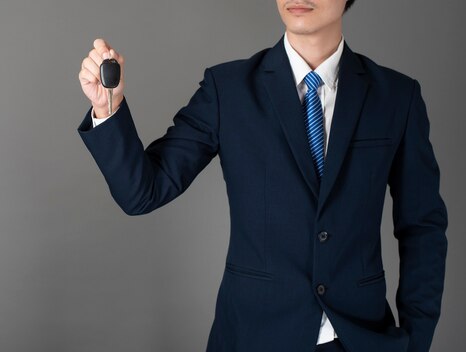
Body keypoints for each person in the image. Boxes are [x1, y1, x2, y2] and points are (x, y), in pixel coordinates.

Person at [76, 1, 448, 351]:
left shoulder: (397, 96)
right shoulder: (228, 89)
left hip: (360, 338)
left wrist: (415, 339)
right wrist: (107, 106)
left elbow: (422, 227)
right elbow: (143, 192)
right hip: (253, 336)